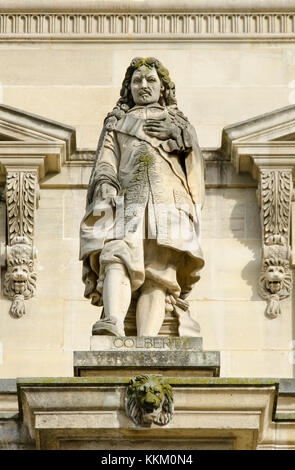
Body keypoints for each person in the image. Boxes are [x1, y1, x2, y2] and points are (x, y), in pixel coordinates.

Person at [80, 57, 205, 337]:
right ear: (129, 88)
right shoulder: (118, 123)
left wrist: (180, 137)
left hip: (167, 203)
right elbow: (106, 161)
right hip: (127, 200)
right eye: (137, 80)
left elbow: (195, 169)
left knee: (158, 273)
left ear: (163, 88)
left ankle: (147, 340)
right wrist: (105, 185)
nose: (143, 85)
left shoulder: (178, 123)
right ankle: (112, 320)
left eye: (150, 80)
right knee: (114, 254)